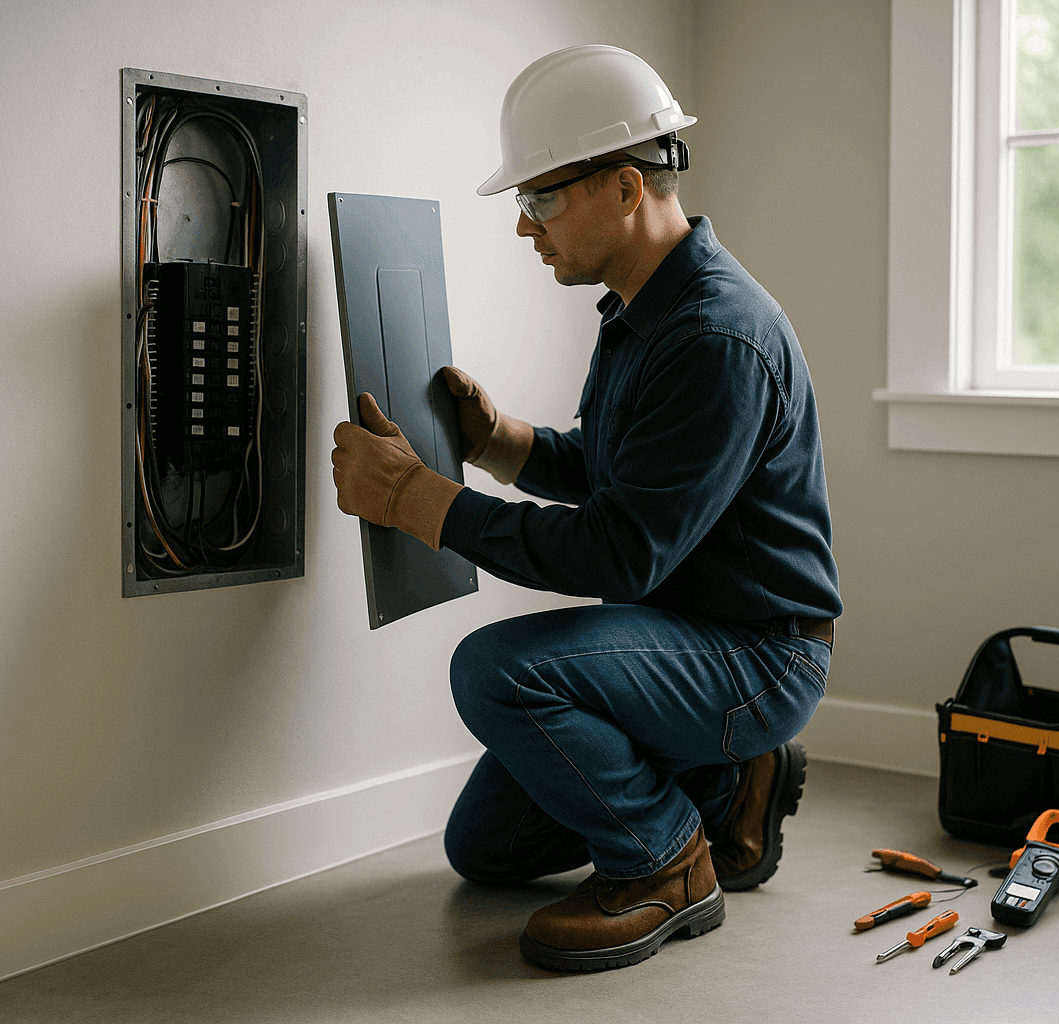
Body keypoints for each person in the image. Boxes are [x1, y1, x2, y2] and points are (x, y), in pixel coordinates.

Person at [330, 44, 840, 972]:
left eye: (539, 200)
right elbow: (623, 479)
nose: (526, 228)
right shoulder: (642, 307)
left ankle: (667, 867)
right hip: (679, 633)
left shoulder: (716, 336)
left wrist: (415, 498)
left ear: (621, 187)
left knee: (495, 671)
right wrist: (498, 442)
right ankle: (726, 788)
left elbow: (619, 552)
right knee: (485, 852)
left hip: (758, 654)